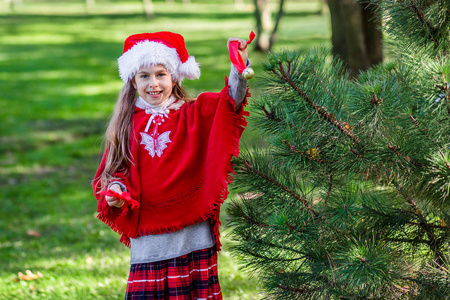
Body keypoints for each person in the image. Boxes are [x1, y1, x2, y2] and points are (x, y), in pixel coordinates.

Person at [92, 31, 251, 299]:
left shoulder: (192, 112)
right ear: (132, 80)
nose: (153, 83)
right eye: (144, 76)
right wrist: (116, 191)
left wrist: (239, 64)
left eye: (160, 74)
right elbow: (115, 171)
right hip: (150, 238)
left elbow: (230, 102)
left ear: (174, 76)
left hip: (193, 230)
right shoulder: (126, 123)